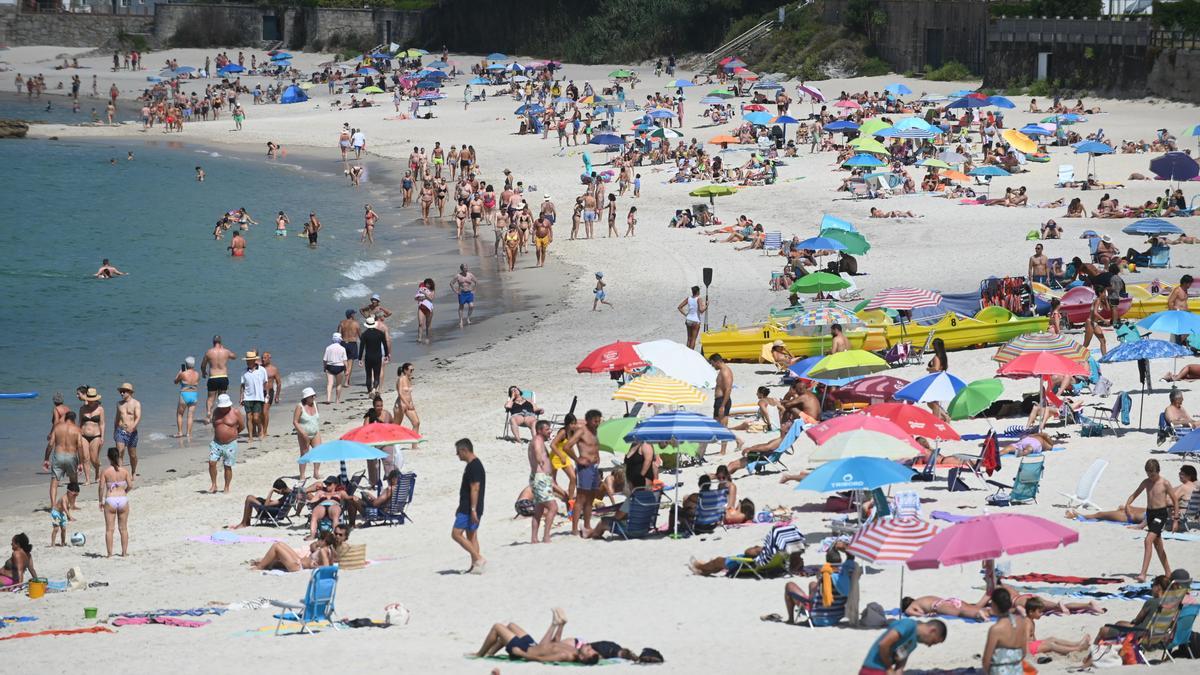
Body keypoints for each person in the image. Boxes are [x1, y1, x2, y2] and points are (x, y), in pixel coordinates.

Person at [1067, 464, 1196, 529]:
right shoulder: (1195, 486)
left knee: (1105, 515)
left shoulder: (1184, 487)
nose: (1179, 476)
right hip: (1159, 513)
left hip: (1160, 517)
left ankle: (1081, 516)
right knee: (1123, 507)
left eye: (1182, 474)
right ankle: (1124, 509)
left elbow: (1168, 501)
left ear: (1189, 476)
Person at [472, 608, 600, 664]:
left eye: (588, 650)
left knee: (497, 627)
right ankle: (490, 653)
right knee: (511, 625)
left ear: (583, 658)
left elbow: (541, 659)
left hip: (525, 649)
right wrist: (562, 626)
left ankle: (480, 654)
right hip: (533, 645)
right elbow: (555, 643)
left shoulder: (565, 656)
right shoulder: (574, 649)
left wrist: (521, 654)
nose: (588, 646)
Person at [1126, 459, 1179, 581]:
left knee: (1148, 540)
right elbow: (1135, 494)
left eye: (1153, 474)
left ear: (1158, 471)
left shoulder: (1165, 483)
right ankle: (1168, 572)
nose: (1151, 477)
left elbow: (1175, 500)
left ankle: (1143, 574)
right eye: (1148, 474)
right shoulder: (1146, 482)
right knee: (1158, 545)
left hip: (1160, 514)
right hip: (1150, 514)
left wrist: (1176, 520)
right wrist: (1127, 505)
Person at [859, 617, 947, 675]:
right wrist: (889, 668)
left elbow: (899, 666)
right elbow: (883, 644)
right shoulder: (908, 624)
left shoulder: (913, 644)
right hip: (873, 668)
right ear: (932, 631)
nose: (930, 645)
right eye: (933, 641)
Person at [566, 409, 603, 536]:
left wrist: (597, 456)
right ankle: (574, 529)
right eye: (595, 421)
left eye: (599, 421)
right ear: (588, 420)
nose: (597, 423)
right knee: (581, 498)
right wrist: (577, 459)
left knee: (591, 498)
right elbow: (567, 446)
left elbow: (594, 446)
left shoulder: (595, 431)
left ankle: (587, 525)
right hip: (584, 468)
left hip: (594, 467)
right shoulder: (582, 431)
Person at [452, 438, 486, 574]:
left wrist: (472, 510)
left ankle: (478, 558)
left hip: (470, 508)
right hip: (469, 507)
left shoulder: (474, 466)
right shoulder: (474, 465)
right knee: (472, 536)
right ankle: (476, 566)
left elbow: (475, 488)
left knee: (456, 534)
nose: (457, 455)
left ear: (464, 450)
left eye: (458, 452)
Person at [43, 410, 85, 513]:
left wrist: (46, 459)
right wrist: (81, 462)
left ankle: (53, 506)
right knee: (73, 481)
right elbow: (80, 446)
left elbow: (51, 444)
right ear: (74, 419)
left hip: (58, 455)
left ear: (65, 417)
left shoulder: (57, 427)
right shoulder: (77, 429)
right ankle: (72, 504)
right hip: (71, 456)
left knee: (54, 482)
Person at [1024, 597, 1091, 660]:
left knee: (1052, 639)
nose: (1041, 614)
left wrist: (1039, 643)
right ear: (1031, 612)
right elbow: (1026, 639)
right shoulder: (1027, 623)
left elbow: (1033, 637)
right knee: (1051, 645)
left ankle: (1076, 644)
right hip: (1028, 648)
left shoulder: (1031, 621)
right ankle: (1078, 649)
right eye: (1039, 612)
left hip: (1032, 645)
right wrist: (1028, 654)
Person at [982, 588, 1028, 675]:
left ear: (994, 605)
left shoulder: (996, 629)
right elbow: (1024, 652)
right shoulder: (1021, 622)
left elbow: (986, 660)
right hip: (1017, 669)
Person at [527, 420, 559, 544]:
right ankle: (546, 537)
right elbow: (537, 450)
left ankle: (534, 539)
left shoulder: (539, 440)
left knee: (539, 509)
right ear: (539, 430)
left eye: (549, 429)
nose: (549, 431)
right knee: (553, 507)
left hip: (539, 478)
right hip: (540, 478)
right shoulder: (537, 440)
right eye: (547, 429)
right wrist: (539, 457)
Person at [98, 446, 132, 558]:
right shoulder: (124, 471)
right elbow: (131, 485)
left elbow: (101, 487)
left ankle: (109, 554)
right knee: (123, 528)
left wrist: (100, 501)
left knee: (109, 529)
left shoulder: (106, 472)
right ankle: (124, 552)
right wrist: (124, 491)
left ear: (108, 458)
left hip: (110, 499)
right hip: (123, 499)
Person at [208, 394, 245, 494]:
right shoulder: (216, 411)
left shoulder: (235, 412)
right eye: (221, 407)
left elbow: (241, 426)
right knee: (211, 463)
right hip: (216, 443)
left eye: (224, 407)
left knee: (227, 466)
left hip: (230, 444)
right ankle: (214, 484)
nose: (223, 409)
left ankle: (226, 487)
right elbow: (214, 424)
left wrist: (232, 434)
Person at [251, 532, 339, 572]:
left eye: (319, 539)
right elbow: (331, 563)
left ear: (323, 541)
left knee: (276, 546)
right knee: (280, 544)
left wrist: (316, 566)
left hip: (297, 566)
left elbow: (327, 568)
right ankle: (265, 563)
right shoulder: (327, 550)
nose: (317, 541)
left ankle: (260, 566)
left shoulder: (324, 550)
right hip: (299, 561)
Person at [229, 477, 294, 529]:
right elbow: (278, 502)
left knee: (249, 498)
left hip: (271, 512)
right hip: (277, 511)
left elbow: (266, 505)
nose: (277, 493)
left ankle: (244, 523)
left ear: (281, 490)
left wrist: (271, 491)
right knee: (253, 497)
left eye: (277, 492)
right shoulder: (291, 493)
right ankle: (246, 522)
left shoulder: (285, 497)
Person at [201, 334, 235, 423]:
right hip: (223, 377)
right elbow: (234, 356)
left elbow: (203, 364)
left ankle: (208, 413)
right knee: (222, 397)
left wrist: (203, 372)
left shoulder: (209, 352)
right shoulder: (226, 351)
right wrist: (225, 350)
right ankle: (220, 416)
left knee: (210, 398)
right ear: (220, 342)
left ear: (213, 342)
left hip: (213, 377)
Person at [293, 387, 322, 480]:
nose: (314, 397)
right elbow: (295, 421)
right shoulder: (299, 406)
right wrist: (303, 433)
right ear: (306, 397)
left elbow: (316, 418)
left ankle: (316, 472)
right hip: (304, 433)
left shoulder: (315, 404)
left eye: (314, 395)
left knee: (318, 451)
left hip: (315, 432)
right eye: (312, 396)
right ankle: (302, 475)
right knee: (305, 453)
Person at [240, 352, 268, 442]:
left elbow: (265, 383)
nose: (247, 362)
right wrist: (241, 397)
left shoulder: (262, 370)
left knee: (256, 417)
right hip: (247, 397)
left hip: (258, 397)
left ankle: (260, 430)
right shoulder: (244, 372)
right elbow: (242, 386)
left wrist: (267, 395)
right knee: (249, 417)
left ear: (254, 360)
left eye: (249, 360)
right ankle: (250, 437)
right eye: (247, 361)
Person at [78, 386, 104, 483]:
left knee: (94, 458)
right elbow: (80, 423)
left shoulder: (100, 409)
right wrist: (78, 436)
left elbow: (102, 423)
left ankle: (97, 472)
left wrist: (102, 436)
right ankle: (87, 479)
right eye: (89, 400)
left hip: (96, 435)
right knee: (85, 458)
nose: (90, 401)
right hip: (83, 435)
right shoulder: (82, 409)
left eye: (92, 400)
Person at [359, 315, 389, 397]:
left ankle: (369, 392)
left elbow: (361, 347)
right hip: (377, 356)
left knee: (368, 375)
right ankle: (375, 389)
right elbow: (385, 344)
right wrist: (386, 354)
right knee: (376, 374)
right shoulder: (380, 333)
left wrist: (360, 359)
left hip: (368, 357)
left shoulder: (364, 334)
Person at [710, 353, 733, 452]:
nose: (712, 366)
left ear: (717, 362)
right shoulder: (721, 371)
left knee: (723, 427)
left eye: (712, 363)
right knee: (716, 426)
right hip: (719, 401)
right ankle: (739, 440)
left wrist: (723, 406)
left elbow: (728, 389)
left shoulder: (725, 372)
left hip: (723, 400)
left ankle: (723, 451)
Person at [903, 595, 991, 621]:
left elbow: (909, 612)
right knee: (972, 607)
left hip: (939, 605)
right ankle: (988, 599)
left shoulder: (910, 607)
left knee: (961, 612)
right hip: (949, 600)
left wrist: (924, 615)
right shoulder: (920, 599)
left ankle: (978, 614)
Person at [174, 356, 200, 438]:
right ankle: (188, 433)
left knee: (180, 414)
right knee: (190, 415)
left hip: (185, 394)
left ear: (186, 364)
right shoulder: (197, 374)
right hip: (194, 394)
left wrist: (179, 373)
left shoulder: (183, 373)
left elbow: (175, 381)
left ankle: (180, 432)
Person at [393, 362, 420, 433]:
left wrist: (411, 403)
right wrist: (407, 405)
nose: (412, 372)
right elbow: (400, 394)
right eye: (411, 370)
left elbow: (409, 394)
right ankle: (389, 442)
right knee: (396, 426)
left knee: (416, 423)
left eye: (413, 370)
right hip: (400, 405)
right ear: (405, 370)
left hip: (408, 405)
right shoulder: (401, 379)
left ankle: (414, 443)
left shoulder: (409, 379)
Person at [678, 285, 706, 350]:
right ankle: (691, 355)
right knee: (693, 339)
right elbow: (701, 310)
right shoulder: (699, 299)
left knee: (689, 338)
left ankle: (687, 353)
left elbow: (679, 307)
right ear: (698, 291)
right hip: (695, 321)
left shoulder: (689, 298)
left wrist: (686, 314)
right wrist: (706, 306)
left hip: (688, 319)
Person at [323, 332, 348, 403]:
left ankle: (328, 399)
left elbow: (325, 360)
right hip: (340, 367)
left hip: (330, 366)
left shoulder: (328, 348)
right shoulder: (342, 348)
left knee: (329, 383)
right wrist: (347, 370)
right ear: (340, 340)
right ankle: (337, 400)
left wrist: (325, 367)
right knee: (339, 384)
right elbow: (345, 360)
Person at [451, 263, 477, 328]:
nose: (466, 269)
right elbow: (451, 283)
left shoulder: (470, 275)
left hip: (469, 292)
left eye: (467, 268)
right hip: (462, 293)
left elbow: (476, 281)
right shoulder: (458, 276)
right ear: (462, 269)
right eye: (465, 268)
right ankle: (461, 321)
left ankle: (468, 318)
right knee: (461, 307)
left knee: (471, 305)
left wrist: (474, 290)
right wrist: (455, 291)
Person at [415, 278, 435, 344]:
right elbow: (417, 298)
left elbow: (431, 298)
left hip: (429, 309)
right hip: (421, 308)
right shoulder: (421, 289)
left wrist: (425, 294)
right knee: (420, 324)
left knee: (428, 325)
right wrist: (421, 297)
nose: (427, 285)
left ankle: (427, 337)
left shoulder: (432, 290)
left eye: (428, 284)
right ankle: (419, 338)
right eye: (426, 284)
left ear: (431, 284)